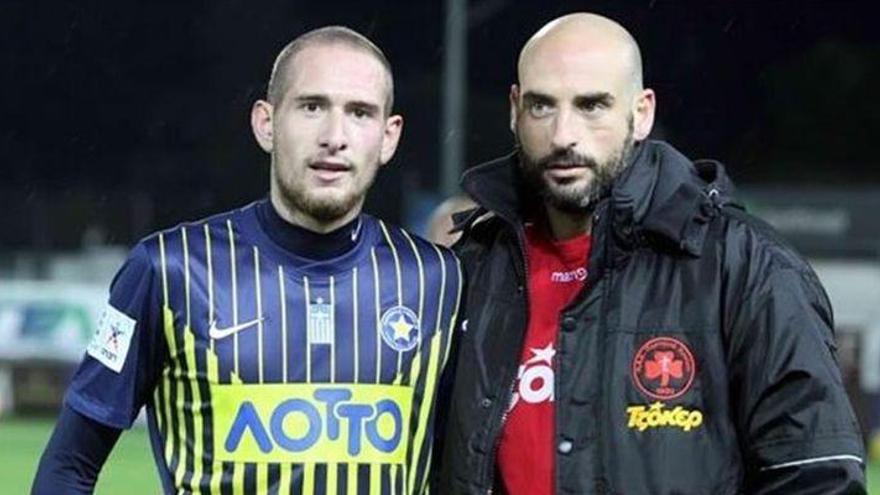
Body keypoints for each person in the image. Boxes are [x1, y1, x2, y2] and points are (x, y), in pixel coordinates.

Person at [436, 12, 866, 494]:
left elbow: (817, 478)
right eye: (541, 106)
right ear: (515, 110)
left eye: (592, 105)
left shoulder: (745, 266)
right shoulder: (470, 271)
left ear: (641, 113)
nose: (563, 136)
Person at [33, 26, 463, 494]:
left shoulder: (439, 281)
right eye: (311, 106)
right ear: (266, 123)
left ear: (388, 136)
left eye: (359, 112)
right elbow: (68, 467)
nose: (334, 136)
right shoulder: (167, 270)